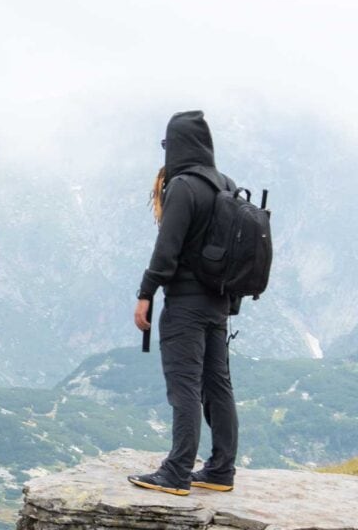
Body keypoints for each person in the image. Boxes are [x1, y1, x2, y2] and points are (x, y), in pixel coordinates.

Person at [127, 110, 239, 496]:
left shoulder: (183, 188)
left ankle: (176, 472)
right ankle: (221, 470)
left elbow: (167, 250)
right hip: (219, 303)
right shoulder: (226, 184)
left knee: (185, 387)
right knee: (217, 385)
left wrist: (146, 293)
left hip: (186, 306)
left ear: (176, 146)